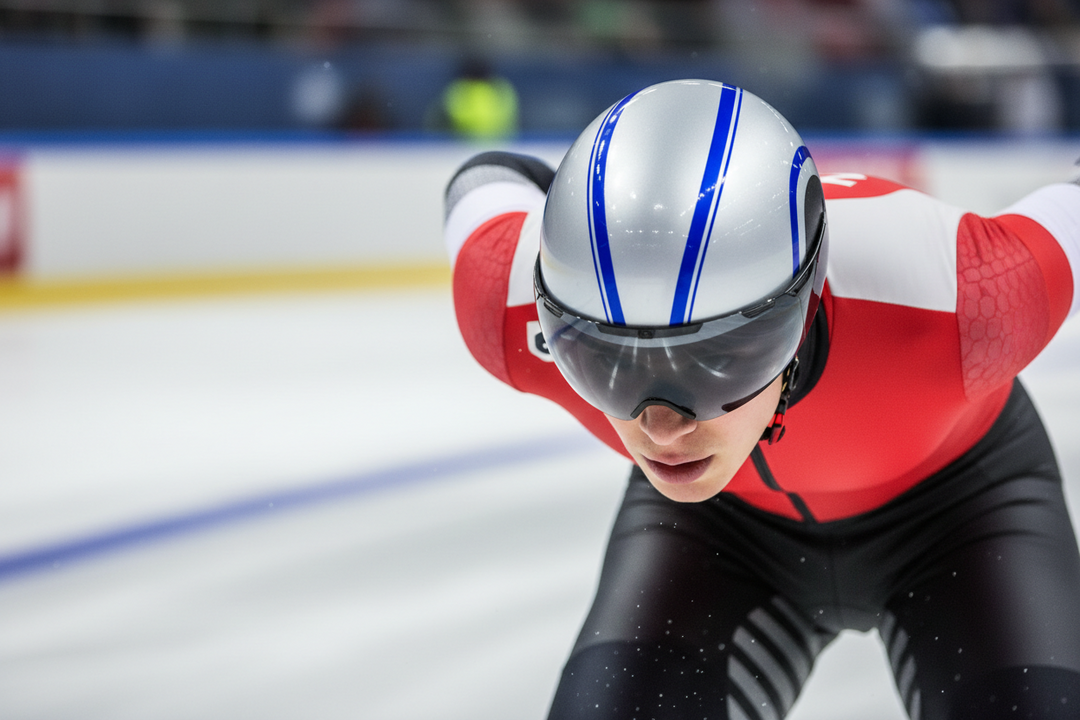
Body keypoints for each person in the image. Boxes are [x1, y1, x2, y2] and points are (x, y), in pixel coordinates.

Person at [442, 79, 1080, 719]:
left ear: (804, 306)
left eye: (717, 360)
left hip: (962, 512)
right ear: (549, 320)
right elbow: (484, 176)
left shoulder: (967, 297)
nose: (661, 429)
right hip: (718, 529)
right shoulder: (504, 303)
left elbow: (487, 178)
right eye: (606, 362)